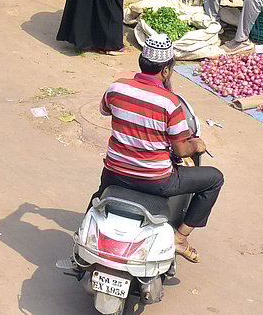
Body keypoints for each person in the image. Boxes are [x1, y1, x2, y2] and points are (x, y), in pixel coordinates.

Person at [96, 34, 224, 263]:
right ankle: (181, 238)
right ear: (166, 71)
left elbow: (105, 110)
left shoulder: (116, 88)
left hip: (114, 174)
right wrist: (196, 144)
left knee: (97, 198)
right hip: (156, 180)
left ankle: (87, 235)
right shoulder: (170, 103)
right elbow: (182, 150)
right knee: (214, 179)